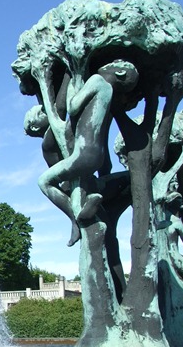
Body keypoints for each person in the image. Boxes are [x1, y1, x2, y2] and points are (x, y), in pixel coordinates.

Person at [38, 60, 139, 246]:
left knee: (44, 181)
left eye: (115, 63)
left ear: (120, 73)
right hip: (96, 155)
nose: (110, 63)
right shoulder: (108, 92)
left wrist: (74, 82)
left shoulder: (98, 81)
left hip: (83, 153)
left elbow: (73, 106)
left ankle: (74, 218)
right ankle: (88, 205)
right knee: (83, 186)